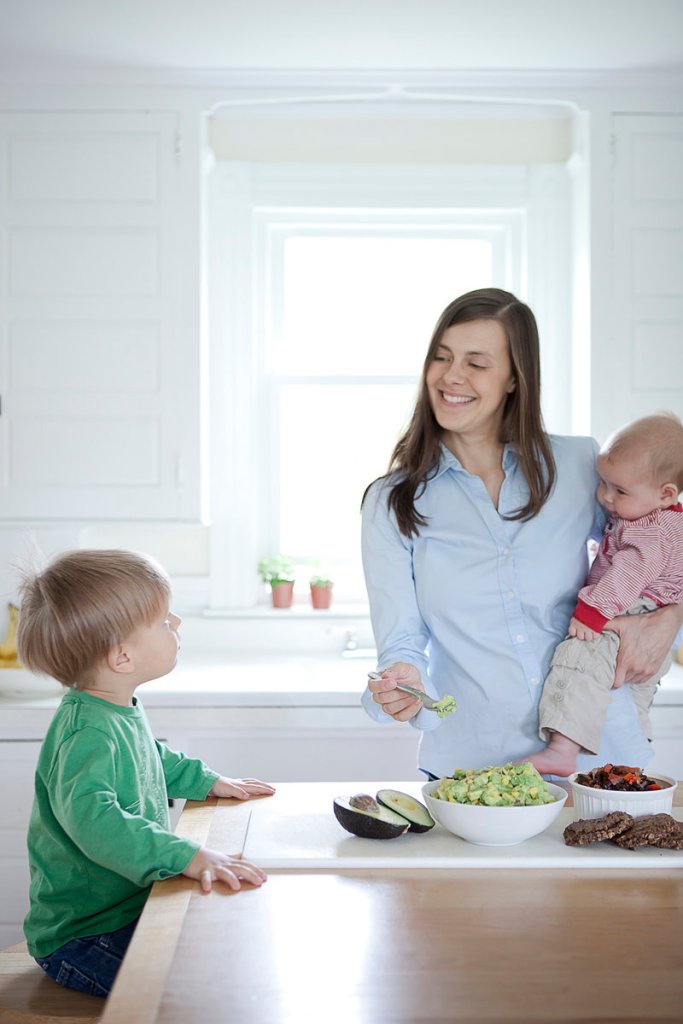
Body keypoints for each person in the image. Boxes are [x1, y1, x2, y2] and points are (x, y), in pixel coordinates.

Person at [360, 288, 683, 781]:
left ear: (515, 378)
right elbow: (401, 643)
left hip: (604, 759)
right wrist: (400, 681)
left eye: (477, 362)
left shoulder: (579, 465)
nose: (451, 376)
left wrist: (672, 619)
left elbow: (666, 551)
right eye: (441, 357)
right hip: (473, 771)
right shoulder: (392, 501)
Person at [16, 549, 275, 999]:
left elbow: (148, 755)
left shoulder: (113, 707)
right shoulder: (86, 733)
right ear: (121, 657)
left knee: (223, 957)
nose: (175, 622)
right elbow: (97, 823)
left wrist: (205, 780)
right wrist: (187, 855)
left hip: (129, 910)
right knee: (184, 994)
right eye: (161, 622)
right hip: (83, 936)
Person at [527, 413, 683, 777]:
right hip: (649, 611)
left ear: (665, 494)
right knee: (637, 690)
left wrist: (592, 613)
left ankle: (563, 748)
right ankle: (635, 750)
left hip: (629, 606)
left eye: (620, 491)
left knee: (580, 656)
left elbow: (630, 572)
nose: (606, 497)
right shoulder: (659, 516)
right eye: (603, 483)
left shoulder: (650, 529)